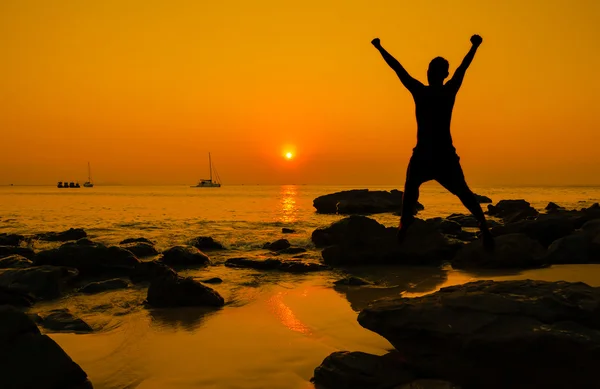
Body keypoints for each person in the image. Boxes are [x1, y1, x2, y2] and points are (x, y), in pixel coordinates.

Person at [371, 34, 494, 250]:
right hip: (429, 154)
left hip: (439, 154)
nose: (429, 73)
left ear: (443, 74)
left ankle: (483, 227)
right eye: (429, 69)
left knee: (460, 192)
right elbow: (398, 68)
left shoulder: (437, 91)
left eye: (434, 70)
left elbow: (462, 68)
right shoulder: (430, 91)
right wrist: (380, 49)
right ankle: (405, 227)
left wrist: (474, 47)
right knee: (412, 191)